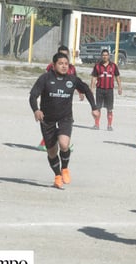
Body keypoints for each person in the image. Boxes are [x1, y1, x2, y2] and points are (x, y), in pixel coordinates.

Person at [29, 52, 99, 189]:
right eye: (60, 64)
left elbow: (86, 90)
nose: (64, 66)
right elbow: (33, 95)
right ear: (54, 65)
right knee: (52, 151)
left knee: (64, 144)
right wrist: (36, 110)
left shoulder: (72, 80)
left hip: (65, 118)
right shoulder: (45, 78)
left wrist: (94, 107)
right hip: (47, 120)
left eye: (66, 64)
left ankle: (65, 168)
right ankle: (57, 176)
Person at [37, 45, 84, 151]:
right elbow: (46, 81)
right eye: (61, 54)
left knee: (65, 123)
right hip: (52, 99)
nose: (64, 56)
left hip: (65, 99)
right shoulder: (51, 67)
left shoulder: (71, 68)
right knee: (50, 123)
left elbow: (76, 82)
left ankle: (65, 144)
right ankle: (45, 142)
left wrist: (80, 92)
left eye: (66, 54)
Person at [90, 49, 122, 131]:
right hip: (100, 90)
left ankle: (109, 125)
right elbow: (94, 77)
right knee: (98, 107)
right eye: (103, 55)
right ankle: (96, 124)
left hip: (109, 90)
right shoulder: (97, 66)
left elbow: (117, 77)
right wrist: (92, 88)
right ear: (101, 56)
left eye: (106, 55)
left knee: (109, 108)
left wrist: (119, 87)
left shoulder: (113, 66)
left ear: (109, 56)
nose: (105, 56)